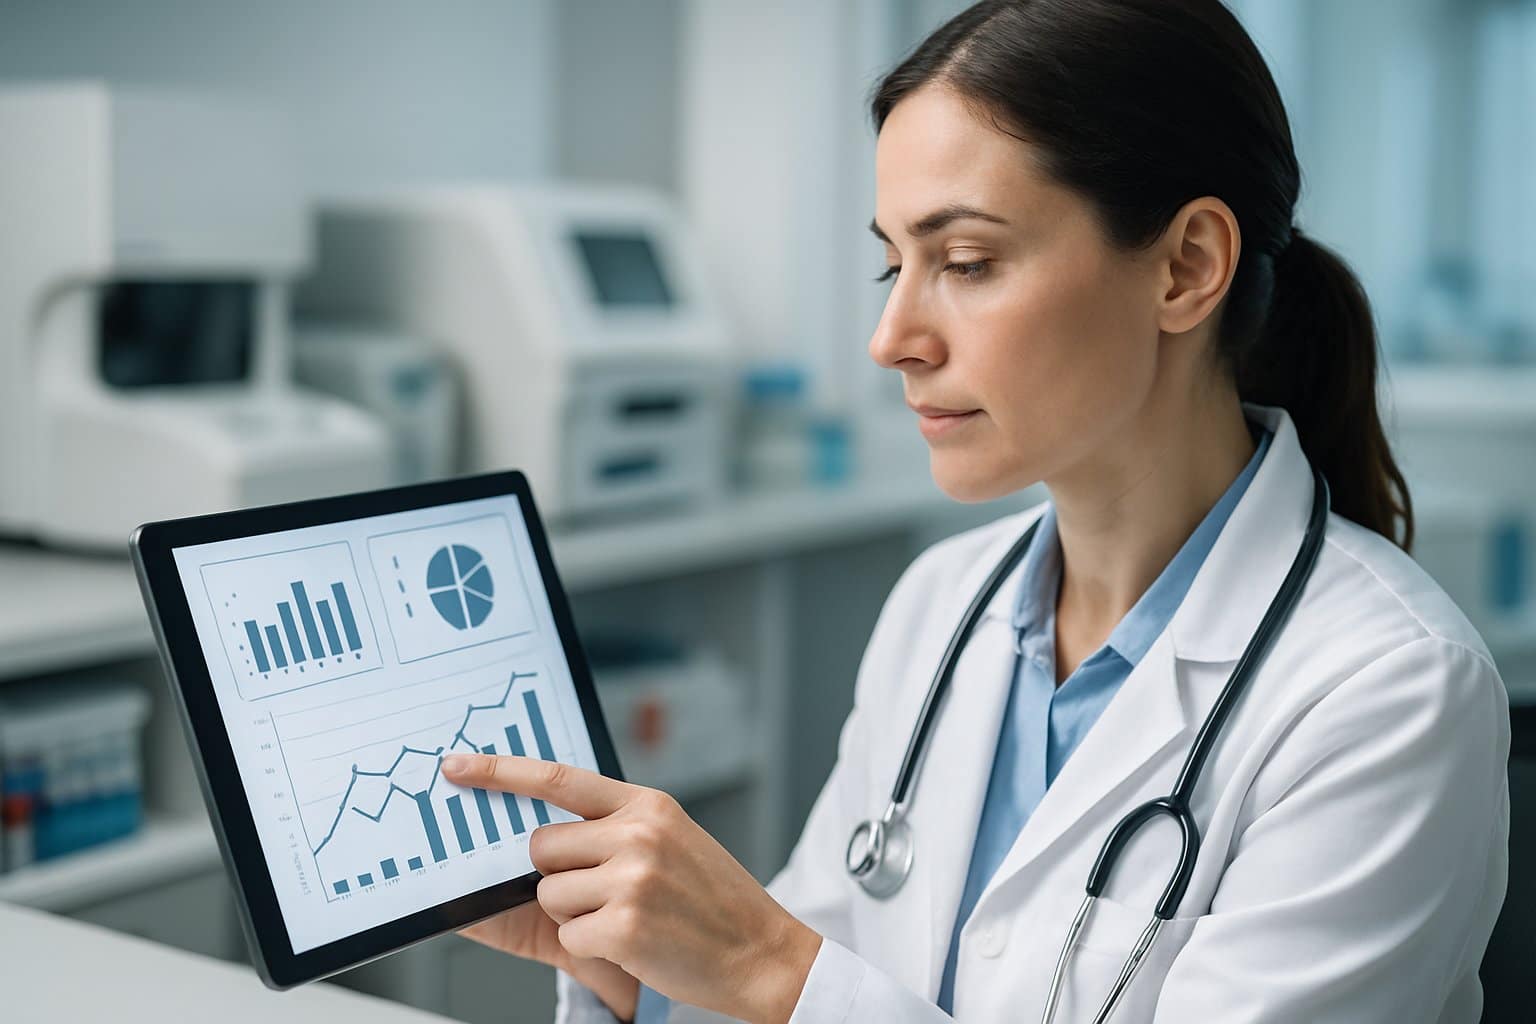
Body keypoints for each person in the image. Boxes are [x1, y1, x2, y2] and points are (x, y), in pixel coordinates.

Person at [437, 1, 1510, 1019]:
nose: (894, 335)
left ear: (1186, 267)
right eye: (891, 264)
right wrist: (640, 972)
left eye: (965, 262)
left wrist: (766, 964)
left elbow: (800, 982)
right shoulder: (942, 605)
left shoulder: (1389, 695)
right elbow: (826, 980)